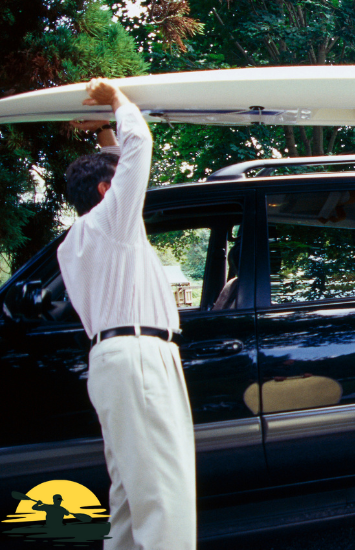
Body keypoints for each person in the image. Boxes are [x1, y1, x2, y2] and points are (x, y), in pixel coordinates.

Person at [58, 78, 196, 548]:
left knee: (129, 493)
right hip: (139, 359)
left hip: (111, 363)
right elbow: (140, 143)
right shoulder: (111, 223)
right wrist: (116, 100)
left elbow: (118, 165)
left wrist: (101, 133)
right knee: (163, 492)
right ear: (105, 190)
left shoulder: (80, 237)